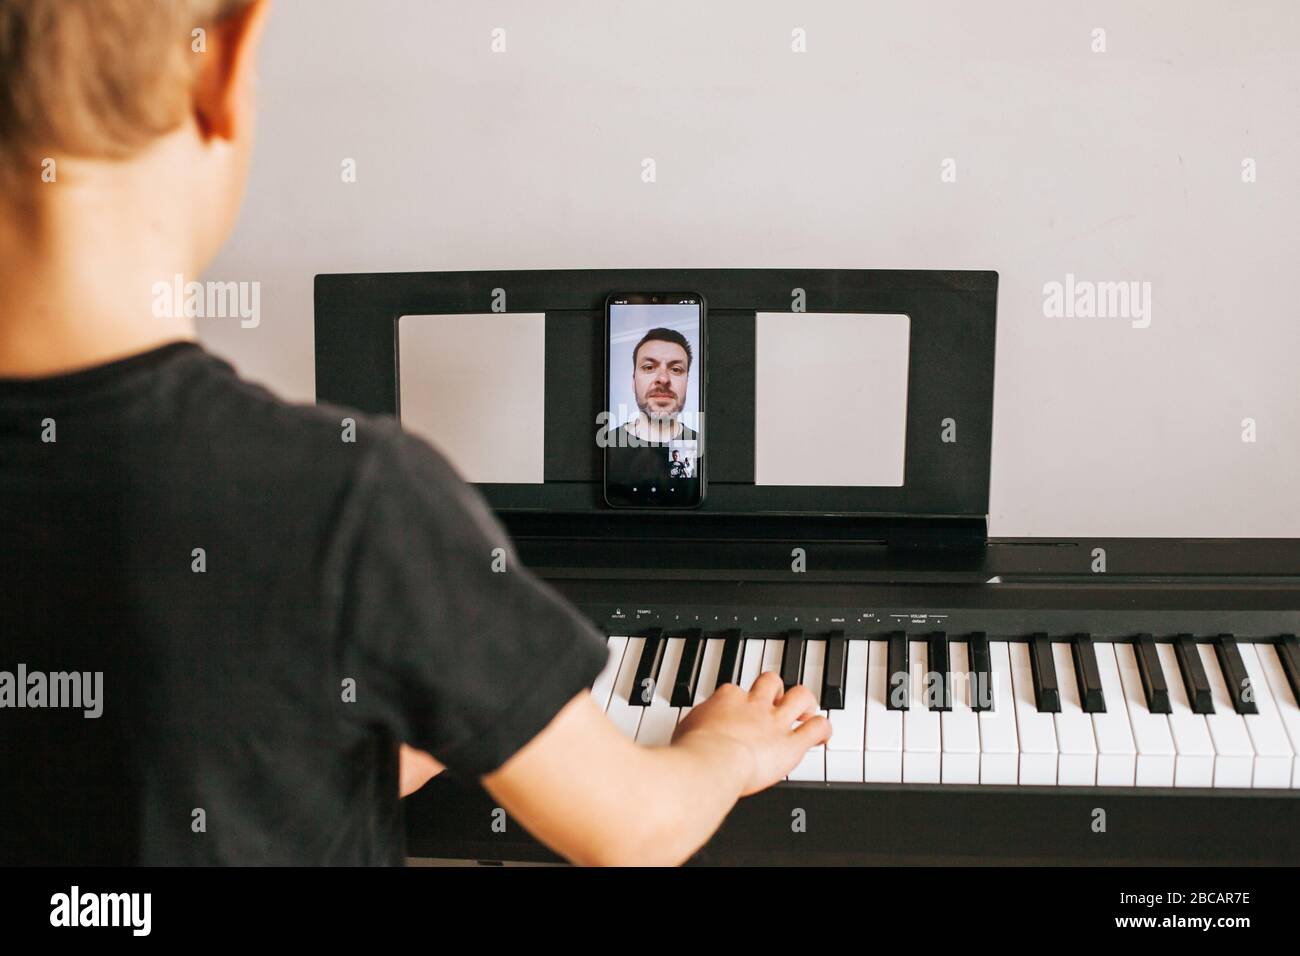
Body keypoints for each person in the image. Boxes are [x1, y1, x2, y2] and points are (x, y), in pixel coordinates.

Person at [0, 0, 829, 866]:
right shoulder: (350, 499)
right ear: (222, 64)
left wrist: (339, 751)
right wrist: (727, 750)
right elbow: (634, 829)